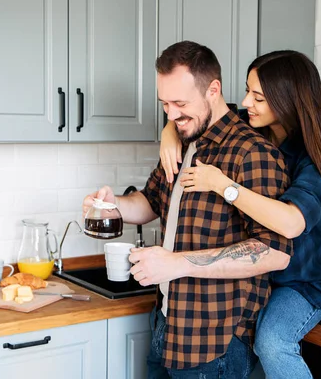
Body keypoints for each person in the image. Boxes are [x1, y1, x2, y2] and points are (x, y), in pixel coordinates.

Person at [82, 41, 293, 378]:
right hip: (167, 324)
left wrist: (176, 263)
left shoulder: (252, 153)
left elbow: (273, 253)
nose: (171, 115)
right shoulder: (183, 139)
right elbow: (150, 202)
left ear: (213, 89)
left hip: (215, 340)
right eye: (165, 103)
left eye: (180, 103)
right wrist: (113, 204)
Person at [159, 50, 321, 378]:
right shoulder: (251, 127)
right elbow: (197, 113)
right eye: (248, 90)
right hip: (257, 279)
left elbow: (291, 222)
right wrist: (169, 134)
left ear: (287, 100)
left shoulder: (313, 160)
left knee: (272, 342)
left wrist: (223, 185)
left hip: (299, 282)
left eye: (258, 96)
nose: (246, 101)